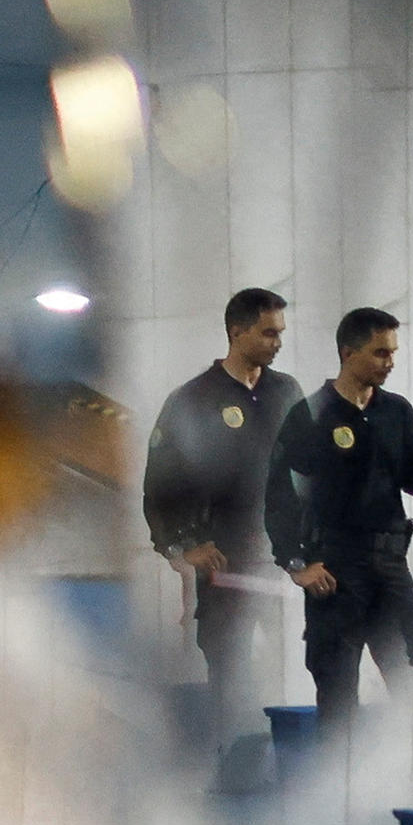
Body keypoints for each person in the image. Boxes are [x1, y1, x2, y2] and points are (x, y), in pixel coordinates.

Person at [270, 305, 413, 753]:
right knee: (338, 699)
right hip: (336, 570)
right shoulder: (311, 414)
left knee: (410, 688)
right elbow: (278, 493)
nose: (389, 362)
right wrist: (296, 562)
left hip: (390, 566)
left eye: (392, 353)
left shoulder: (396, 412)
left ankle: (396, 788)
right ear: (348, 352)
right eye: (379, 353)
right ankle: (337, 807)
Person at [142, 286, 294, 753]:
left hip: (281, 564)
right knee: (231, 675)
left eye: (280, 334)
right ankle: (233, 769)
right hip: (224, 565)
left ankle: (284, 769)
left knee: (286, 677)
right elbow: (160, 483)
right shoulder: (193, 399)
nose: (277, 343)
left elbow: (310, 473)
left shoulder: (286, 393)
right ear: (236, 331)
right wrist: (179, 545)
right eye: (268, 333)